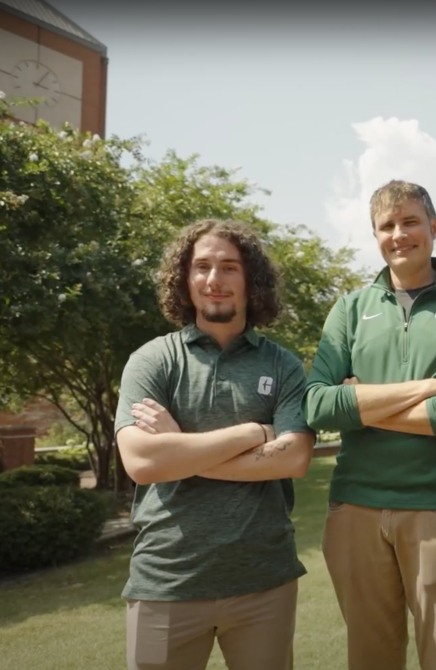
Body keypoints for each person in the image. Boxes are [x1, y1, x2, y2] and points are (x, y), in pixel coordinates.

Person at [302, 179, 436, 670]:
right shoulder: (350, 308)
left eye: (410, 221)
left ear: (433, 227)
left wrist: (359, 400)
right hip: (356, 509)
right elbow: (318, 405)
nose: (399, 234)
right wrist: (427, 387)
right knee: (370, 659)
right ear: (375, 235)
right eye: (386, 225)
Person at [114, 219, 316, 670]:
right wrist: (253, 434)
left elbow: (296, 457)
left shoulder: (282, 365)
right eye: (201, 266)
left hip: (264, 582)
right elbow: (143, 462)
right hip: (166, 582)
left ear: (251, 282)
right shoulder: (153, 360)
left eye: (229, 267)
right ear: (184, 282)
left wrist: (180, 450)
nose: (214, 280)